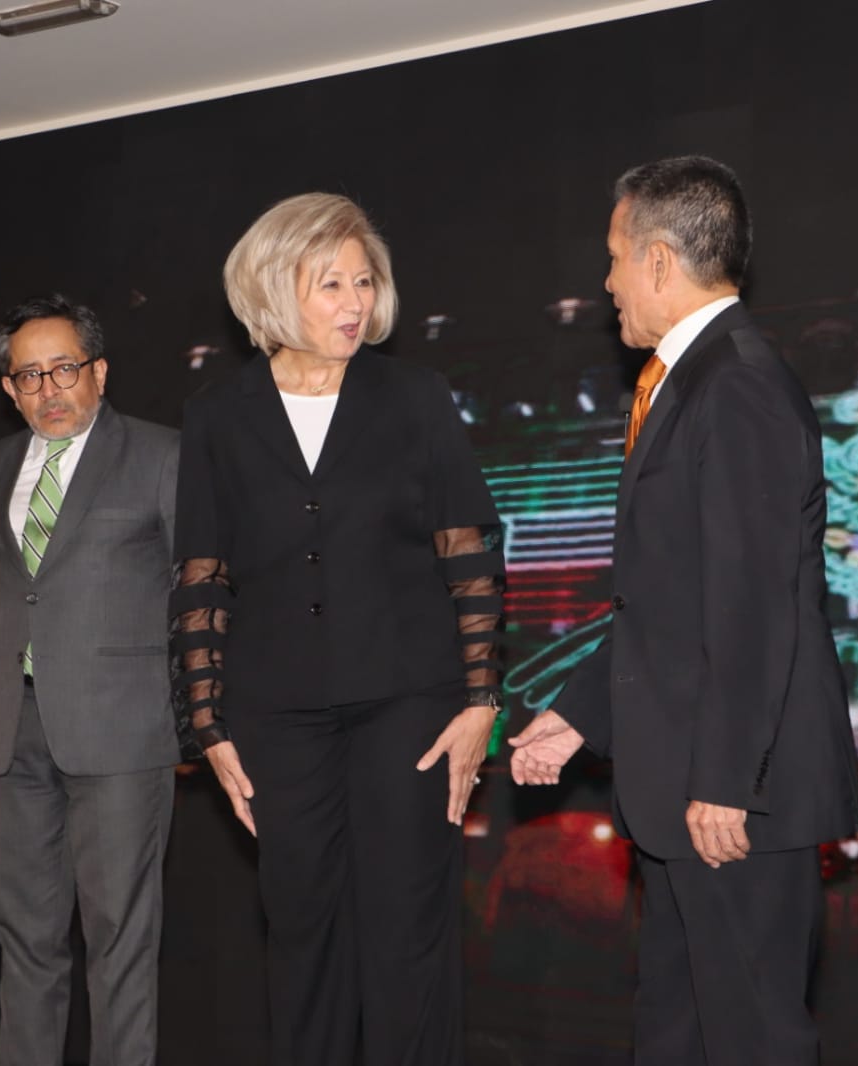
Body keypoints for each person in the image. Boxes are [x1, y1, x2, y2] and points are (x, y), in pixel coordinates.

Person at [509, 156, 858, 1065]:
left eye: (613, 258)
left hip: (733, 796)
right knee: (678, 1030)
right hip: (687, 787)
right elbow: (670, 600)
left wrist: (724, 781)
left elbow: (753, 607)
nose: (607, 283)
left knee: (747, 1039)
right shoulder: (692, 378)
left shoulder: (734, 383)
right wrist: (576, 716)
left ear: (659, 261)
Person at [172, 192, 503, 1064]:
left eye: (364, 281)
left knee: (406, 932)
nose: (355, 302)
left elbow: (468, 553)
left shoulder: (415, 396)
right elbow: (202, 574)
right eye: (331, 284)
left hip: (408, 700)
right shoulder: (217, 414)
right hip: (274, 712)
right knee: (301, 931)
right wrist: (206, 724)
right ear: (274, 289)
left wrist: (481, 702)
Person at [0, 295, 180, 1066]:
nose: (49, 389)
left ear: (99, 372)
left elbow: (197, 593)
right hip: (11, 726)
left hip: (122, 731)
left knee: (119, 936)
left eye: (64, 369)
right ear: (9, 388)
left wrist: (190, 714)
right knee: (23, 934)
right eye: (29, 375)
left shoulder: (160, 454)